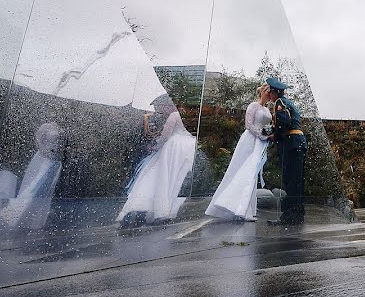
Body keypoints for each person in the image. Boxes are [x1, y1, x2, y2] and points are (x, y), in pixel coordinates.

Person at [117, 95, 196, 227]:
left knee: (154, 176)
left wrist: (156, 147)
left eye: (160, 106)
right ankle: (164, 210)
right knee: (172, 181)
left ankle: (141, 208)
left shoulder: (174, 116)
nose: (158, 109)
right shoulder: (189, 116)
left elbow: (165, 136)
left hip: (171, 149)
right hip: (187, 150)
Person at [205, 83, 272, 221]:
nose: (270, 95)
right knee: (246, 171)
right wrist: (262, 135)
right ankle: (237, 206)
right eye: (269, 92)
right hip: (250, 140)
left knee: (251, 174)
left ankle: (245, 208)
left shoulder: (268, 110)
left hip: (261, 143)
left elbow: (268, 125)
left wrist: (269, 134)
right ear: (263, 92)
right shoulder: (253, 106)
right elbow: (248, 125)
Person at [267, 77, 306, 225]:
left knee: (291, 181)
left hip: (291, 144)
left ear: (275, 92)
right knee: (297, 182)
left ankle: (289, 217)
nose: (269, 95)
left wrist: (274, 136)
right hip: (297, 144)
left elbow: (284, 123)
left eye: (270, 92)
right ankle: (297, 215)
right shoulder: (288, 103)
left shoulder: (280, 103)